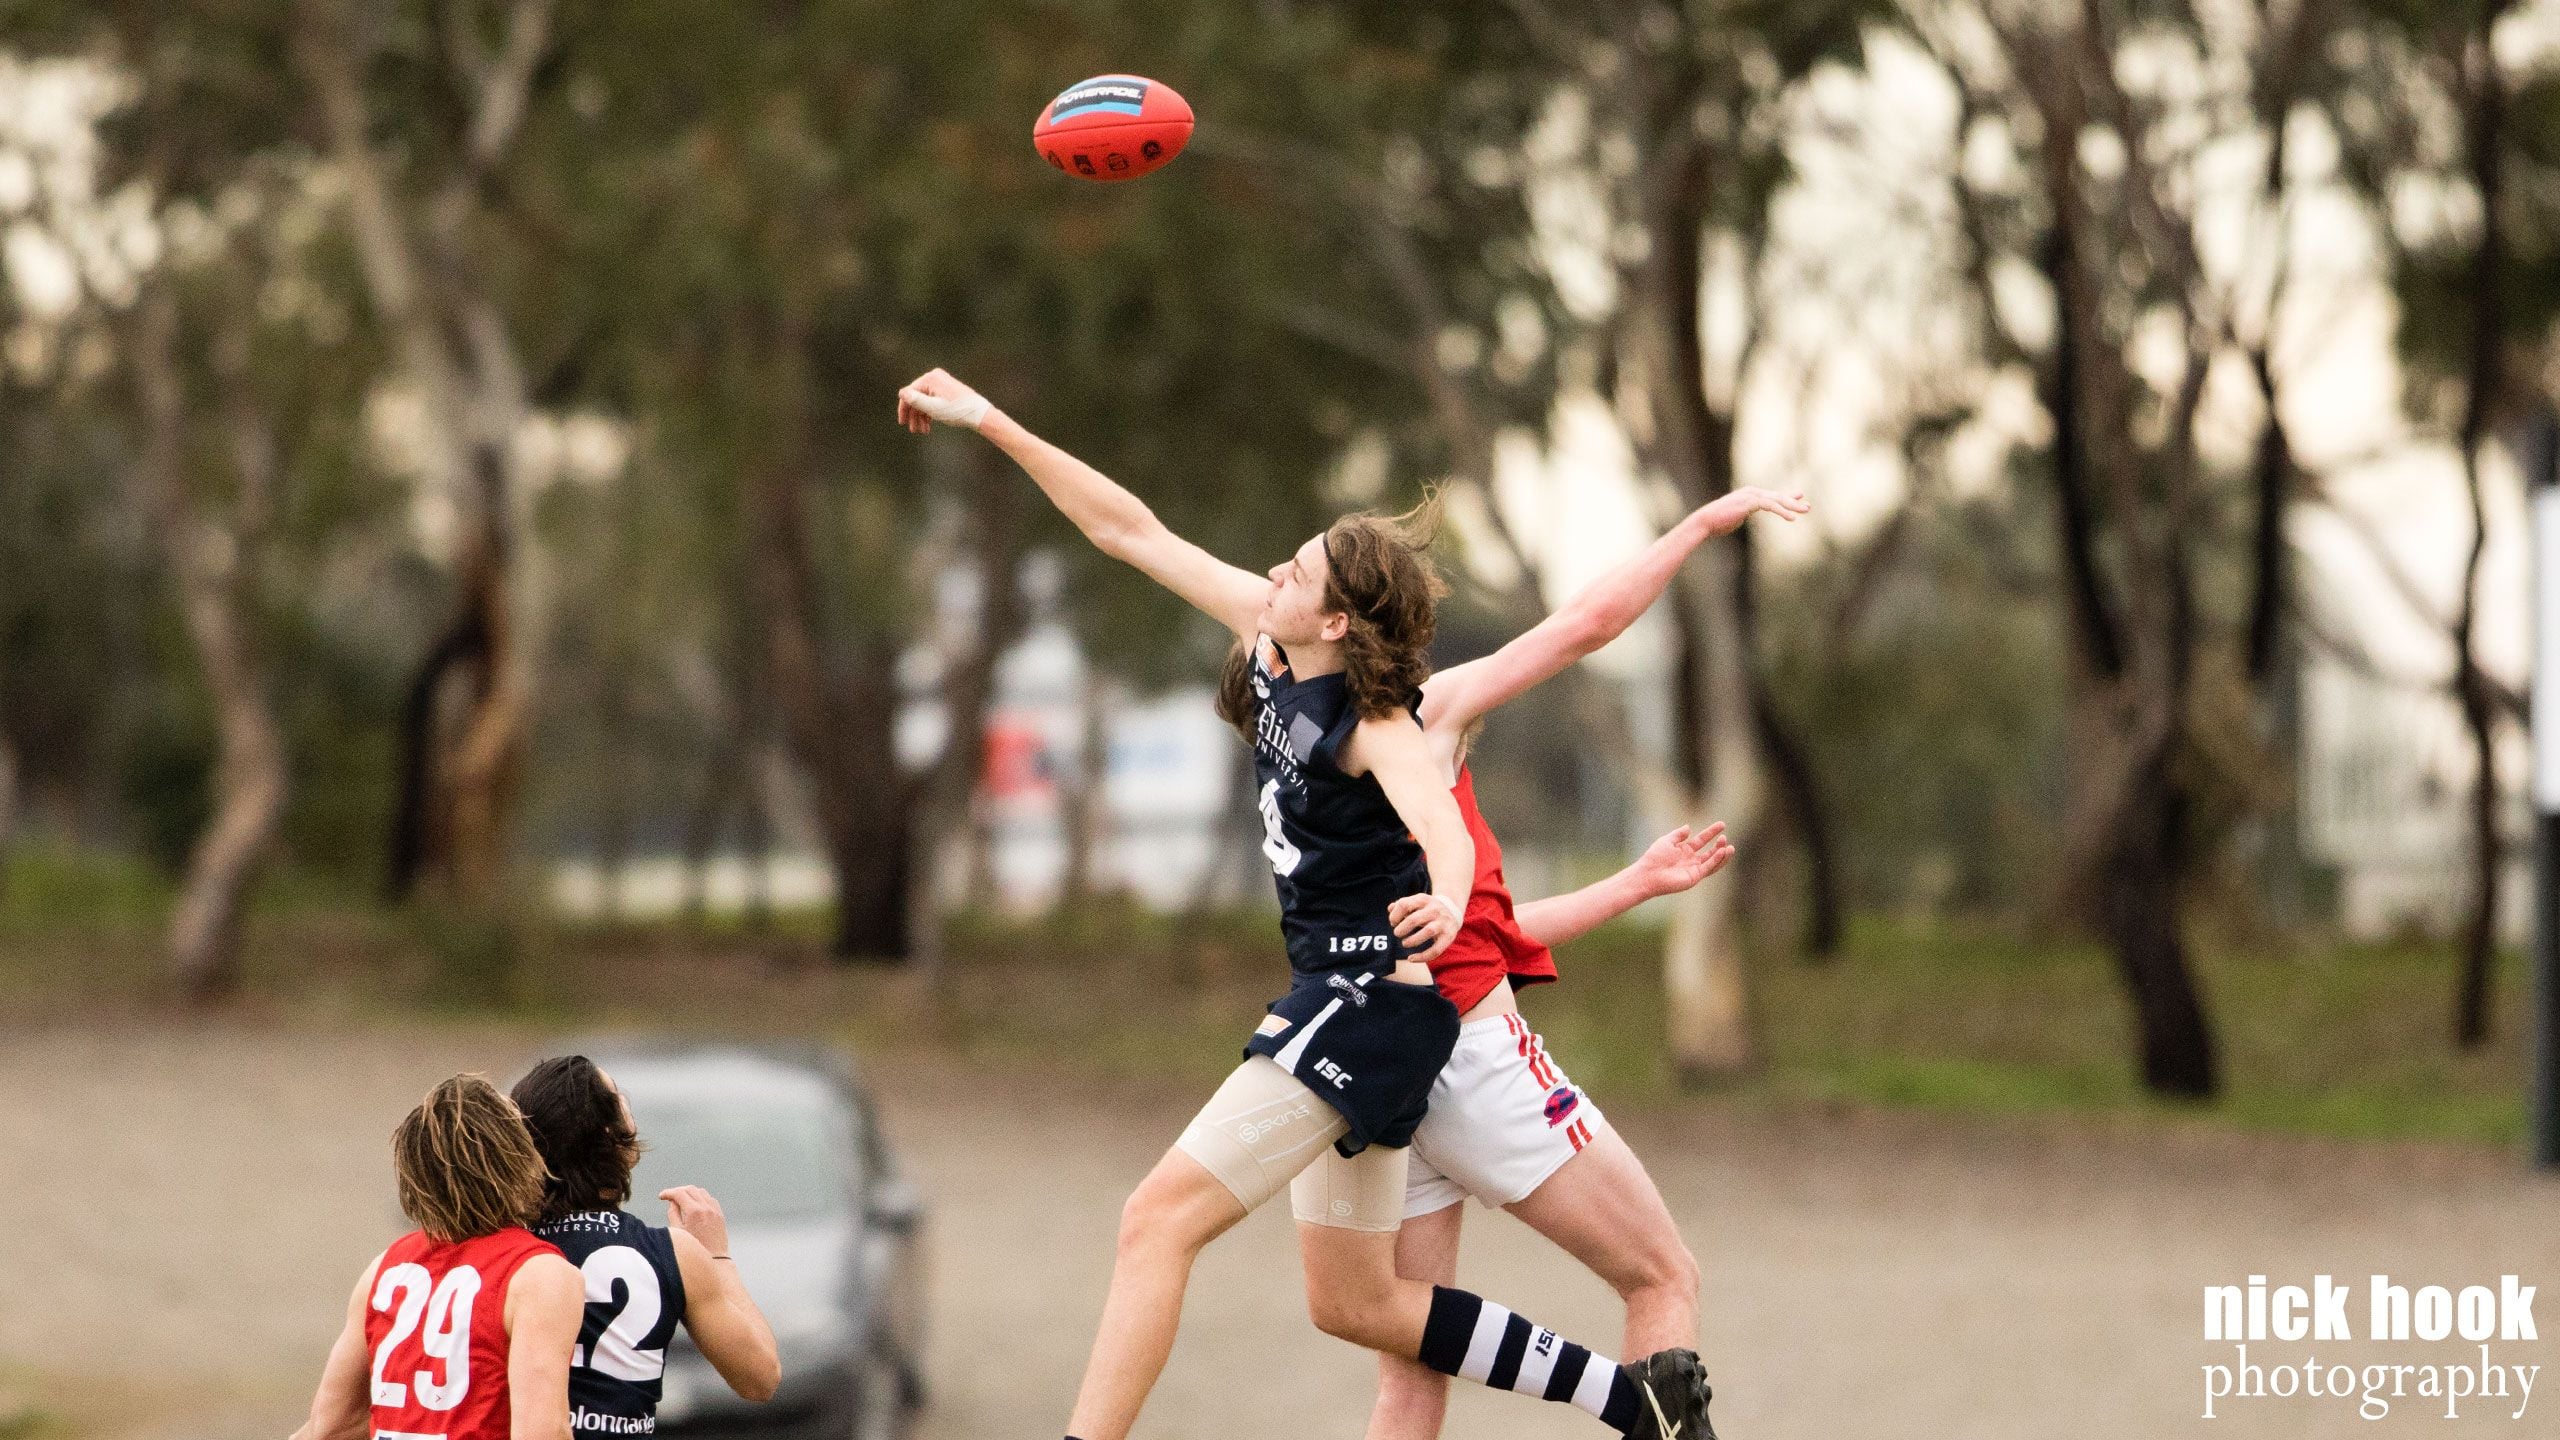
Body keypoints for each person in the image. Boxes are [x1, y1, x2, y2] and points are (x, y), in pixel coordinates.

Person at [896, 369, 1711, 1440]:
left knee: (1155, 1221)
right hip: (1341, 992)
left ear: (1334, 617)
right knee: (1357, 1306)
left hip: (1370, 1008)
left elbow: (1445, 829)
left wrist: (1449, 897)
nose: (1275, 570)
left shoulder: (1383, 726)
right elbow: (1128, 530)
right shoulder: (1268, 635)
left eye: (1300, 569)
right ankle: (1627, 1399)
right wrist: (993, 420)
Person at [1357, 483, 1808, 1440]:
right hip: (1474, 1057)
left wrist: (1634, 884)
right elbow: (1583, 627)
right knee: (1663, 1276)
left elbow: (1486, 933)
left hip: (1388, 1071)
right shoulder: (1420, 721)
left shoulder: (1312, 757)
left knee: (1414, 1368)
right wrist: (1698, 525)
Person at [290, 1073, 587, 1440]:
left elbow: (329, 1426)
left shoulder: (383, 1271)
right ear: (518, 1159)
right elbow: (543, 1432)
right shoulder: (538, 1275)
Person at [509, 1055, 781, 1435]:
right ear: (611, 1134)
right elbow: (761, 1376)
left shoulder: (505, 1251)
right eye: (619, 1096)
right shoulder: (672, 1253)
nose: (627, 1102)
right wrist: (717, 1256)